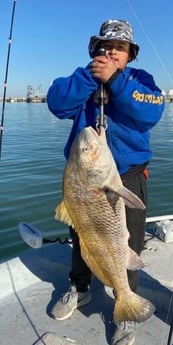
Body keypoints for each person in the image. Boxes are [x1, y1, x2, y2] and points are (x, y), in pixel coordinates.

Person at [47, 19, 164, 345]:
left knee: (129, 243)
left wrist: (115, 81)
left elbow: (151, 112)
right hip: (82, 180)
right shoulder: (82, 78)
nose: (111, 52)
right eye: (105, 46)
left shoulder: (141, 81)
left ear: (130, 54)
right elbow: (56, 102)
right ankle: (79, 287)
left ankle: (126, 301)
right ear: (94, 50)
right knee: (83, 238)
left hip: (125, 177)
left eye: (119, 48)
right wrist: (89, 77)